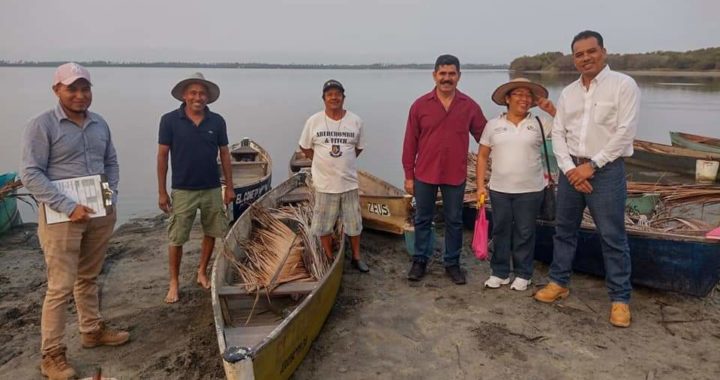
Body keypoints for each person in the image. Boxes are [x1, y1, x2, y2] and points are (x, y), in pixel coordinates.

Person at [21, 62, 129, 380]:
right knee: (59, 287)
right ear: (57, 90)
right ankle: (52, 356)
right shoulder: (41, 126)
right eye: (72, 89)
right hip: (62, 218)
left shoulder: (100, 124)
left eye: (85, 88)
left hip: (99, 213)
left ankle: (91, 330)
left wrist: (110, 196)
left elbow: (110, 161)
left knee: (89, 276)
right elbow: (30, 173)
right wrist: (68, 207)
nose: (80, 95)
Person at [533, 30, 640, 328]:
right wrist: (569, 169)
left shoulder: (623, 86)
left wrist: (592, 166)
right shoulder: (569, 92)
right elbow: (559, 133)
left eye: (590, 52)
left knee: (612, 237)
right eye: (579, 54)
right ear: (574, 58)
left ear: (603, 52)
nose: (585, 58)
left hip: (605, 172)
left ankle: (620, 299)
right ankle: (559, 282)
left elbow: (625, 133)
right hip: (570, 172)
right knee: (564, 230)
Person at [402, 54, 487, 285]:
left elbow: (486, 137)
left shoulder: (469, 106)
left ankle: (452, 263)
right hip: (425, 174)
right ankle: (419, 260)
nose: (447, 78)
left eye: (451, 74)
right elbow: (410, 143)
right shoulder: (420, 105)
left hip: (455, 174)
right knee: (422, 219)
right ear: (434, 75)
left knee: (454, 220)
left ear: (459, 76)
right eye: (442, 74)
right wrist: (409, 175)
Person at [157, 72, 235, 303]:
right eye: (193, 92)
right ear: (184, 95)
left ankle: (201, 271)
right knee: (177, 237)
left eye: (202, 93)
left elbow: (225, 154)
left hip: (211, 187)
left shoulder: (217, 121)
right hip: (182, 189)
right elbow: (162, 156)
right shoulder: (169, 120)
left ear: (208, 97)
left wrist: (229, 187)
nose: (197, 97)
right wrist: (162, 191)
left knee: (212, 231)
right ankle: (174, 282)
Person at [477, 78, 550, 291]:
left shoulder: (540, 123)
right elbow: (482, 156)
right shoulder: (493, 125)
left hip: (531, 190)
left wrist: (552, 110)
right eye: (518, 94)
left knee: (525, 232)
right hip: (499, 189)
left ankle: (523, 273)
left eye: (528, 95)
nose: (524, 99)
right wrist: (481, 185)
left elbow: (568, 126)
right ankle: (499, 272)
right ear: (507, 99)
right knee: (500, 230)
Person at [298, 79, 369, 273]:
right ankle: (329, 257)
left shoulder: (355, 121)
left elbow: (358, 148)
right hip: (324, 184)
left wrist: (344, 161)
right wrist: (320, 161)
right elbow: (304, 147)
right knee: (323, 226)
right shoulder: (314, 121)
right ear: (324, 98)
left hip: (348, 183)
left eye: (337, 94)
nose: (334, 97)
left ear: (343, 98)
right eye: (330, 94)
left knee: (355, 225)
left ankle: (356, 257)